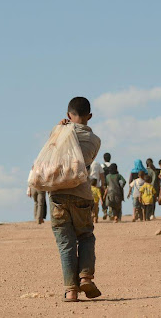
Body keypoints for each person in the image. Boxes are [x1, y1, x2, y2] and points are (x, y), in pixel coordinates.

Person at [49, 97, 102, 302]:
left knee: (66, 243)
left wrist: (60, 127)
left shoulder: (58, 132)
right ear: (90, 116)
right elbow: (85, 164)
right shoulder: (95, 141)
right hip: (82, 194)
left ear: (68, 114)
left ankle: (71, 291)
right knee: (86, 236)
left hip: (58, 195)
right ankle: (86, 277)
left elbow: (51, 152)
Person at [101, 153, 112, 220]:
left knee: (103, 198)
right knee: (110, 198)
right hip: (111, 184)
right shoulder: (112, 165)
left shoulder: (102, 166)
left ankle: (105, 212)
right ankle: (110, 213)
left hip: (103, 184)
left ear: (104, 158)